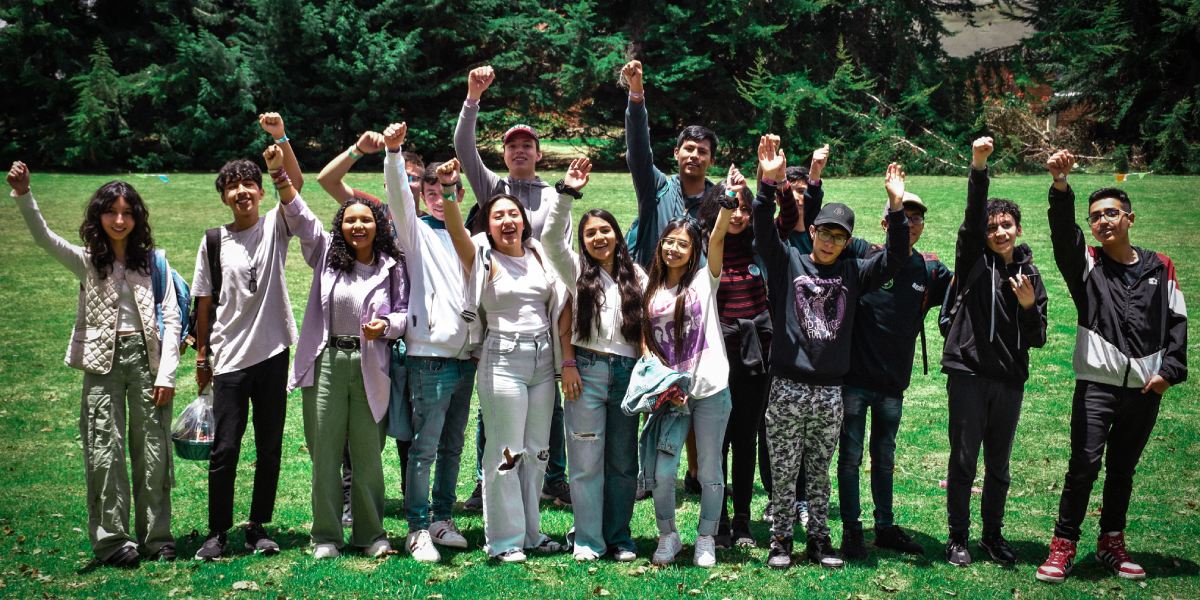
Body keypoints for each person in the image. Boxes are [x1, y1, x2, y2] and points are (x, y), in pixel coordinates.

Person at [8, 162, 181, 566]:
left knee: (153, 450)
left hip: (148, 363)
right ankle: (113, 542)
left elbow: (171, 318)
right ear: (98, 216)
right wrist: (25, 194)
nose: (119, 220)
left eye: (127, 213)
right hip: (101, 364)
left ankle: (157, 537)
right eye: (111, 212)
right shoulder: (86, 261)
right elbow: (44, 239)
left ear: (137, 218)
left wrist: (167, 373)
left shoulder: (154, 262)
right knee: (105, 450)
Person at [752, 135, 911, 570]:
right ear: (814, 230)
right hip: (786, 386)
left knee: (819, 473)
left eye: (839, 237)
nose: (828, 241)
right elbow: (762, 232)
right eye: (824, 232)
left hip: (829, 392)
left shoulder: (854, 273)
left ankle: (820, 542)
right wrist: (767, 184)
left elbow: (896, 258)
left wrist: (896, 208)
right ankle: (781, 540)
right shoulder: (788, 263)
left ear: (846, 242)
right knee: (784, 472)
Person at [1035, 151, 1187, 584]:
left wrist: (1168, 374)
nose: (1103, 221)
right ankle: (1062, 547)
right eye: (1096, 216)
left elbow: (1178, 321)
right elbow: (1065, 237)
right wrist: (1061, 188)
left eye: (1111, 214)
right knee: (1083, 465)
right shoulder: (1088, 265)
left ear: (1129, 218)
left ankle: (1111, 544)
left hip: (1145, 390)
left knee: (1122, 469)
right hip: (1096, 388)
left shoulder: (1161, 266)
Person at [439, 158, 568, 563]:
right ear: (488, 225)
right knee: (506, 453)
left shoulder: (539, 255)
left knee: (537, 451)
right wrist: (448, 191)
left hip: (544, 360)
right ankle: (505, 542)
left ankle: (532, 533)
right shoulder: (482, 256)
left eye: (513, 213)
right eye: (498, 216)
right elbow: (457, 232)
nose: (507, 221)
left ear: (524, 222)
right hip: (503, 361)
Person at [455, 65, 571, 509]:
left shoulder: (552, 195)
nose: (519, 150)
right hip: (500, 311)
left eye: (527, 145)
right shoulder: (492, 187)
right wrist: (472, 97)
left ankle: (552, 478)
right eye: (512, 145)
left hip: (542, 314)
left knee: (548, 403)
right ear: (503, 154)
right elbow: (464, 147)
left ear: (539, 154)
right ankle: (489, 482)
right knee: (497, 403)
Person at [192, 115, 305, 561]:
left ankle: (257, 526)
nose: (241, 192)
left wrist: (279, 141)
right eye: (231, 187)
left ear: (260, 192)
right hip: (230, 358)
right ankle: (217, 531)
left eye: (248, 185)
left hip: (274, 352)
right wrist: (202, 357)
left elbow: (294, 180)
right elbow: (203, 302)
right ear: (224, 196)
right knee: (224, 449)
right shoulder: (214, 240)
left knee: (269, 446)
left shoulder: (277, 223)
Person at [941, 137, 1048, 567]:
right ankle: (957, 538)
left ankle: (992, 535)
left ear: (1018, 229)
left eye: (1006, 225)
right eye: (992, 227)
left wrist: (1026, 307)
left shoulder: (1030, 274)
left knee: (999, 466)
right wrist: (979, 168)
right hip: (968, 373)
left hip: (1009, 379)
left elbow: (1038, 336)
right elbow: (971, 220)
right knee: (964, 460)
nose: (999, 232)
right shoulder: (974, 261)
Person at [836, 190, 953, 560]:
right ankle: (852, 530)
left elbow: (966, 285)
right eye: (904, 216)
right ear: (886, 222)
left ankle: (885, 527)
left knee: (884, 457)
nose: (911, 223)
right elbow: (818, 230)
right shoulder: (861, 254)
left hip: (893, 386)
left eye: (917, 218)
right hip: (854, 380)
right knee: (850, 458)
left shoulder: (930, 269)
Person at [543, 157, 648, 562]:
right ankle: (588, 540)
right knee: (585, 460)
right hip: (585, 373)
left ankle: (619, 537)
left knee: (623, 464)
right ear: (583, 241)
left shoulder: (637, 276)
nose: (599, 237)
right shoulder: (576, 272)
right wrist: (567, 195)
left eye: (605, 230)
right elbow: (553, 238)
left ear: (618, 237)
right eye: (590, 233)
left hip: (626, 375)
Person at [382, 125, 478, 562]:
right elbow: (397, 198)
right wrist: (394, 152)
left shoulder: (472, 239)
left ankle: (442, 516)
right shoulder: (414, 235)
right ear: (422, 197)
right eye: (432, 193)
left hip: (467, 359)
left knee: (452, 445)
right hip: (430, 359)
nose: (440, 200)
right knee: (424, 447)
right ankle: (418, 528)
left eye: (448, 192)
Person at [642, 166, 738, 568]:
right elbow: (645, 340)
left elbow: (717, 236)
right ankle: (668, 536)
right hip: (672, 395)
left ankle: (706, 539)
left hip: (712, 390)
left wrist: (727, 203)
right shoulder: (650, 287)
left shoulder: (703, 280)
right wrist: (661, 377)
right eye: (669, 242)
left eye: (682, 244)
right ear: (661, 245)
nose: (674, 249)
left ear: (692, 250)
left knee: (712, 471)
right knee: (664, 473)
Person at [694, 169, 772, 550]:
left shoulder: (760, 249)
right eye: (731, 207)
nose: (738, 214)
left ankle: (743, 520)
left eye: (743, 208)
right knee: (717, 443)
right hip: (718, 363)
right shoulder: (710, 247)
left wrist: (762, 182)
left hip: (756, 363)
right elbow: (719, 234)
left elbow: (785, 220)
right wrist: (730, 197)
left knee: (745, 440)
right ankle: (718, 518)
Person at [621, 59, 718, 268]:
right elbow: (638, 150)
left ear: (712, 162)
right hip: (650, 288)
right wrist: (636, 95)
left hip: (695, 295)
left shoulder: (718, 202)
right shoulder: (656, 188)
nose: (694, 155)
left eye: (703, 152)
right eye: (689, 148)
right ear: (676, 153)